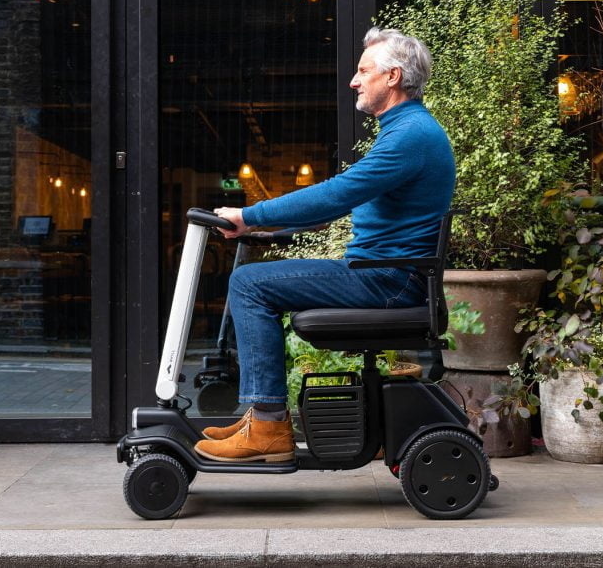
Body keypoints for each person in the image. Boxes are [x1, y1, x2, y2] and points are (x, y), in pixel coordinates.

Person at [194, 28, 456, 463]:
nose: (354, 80)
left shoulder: (411, 135)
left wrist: (248, 215)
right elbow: (339, 204)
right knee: (253, 280)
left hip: (387, 280)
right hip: (385, 274)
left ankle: (267, 426)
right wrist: (258, 229)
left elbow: (337, 194)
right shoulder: (406, 130)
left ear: (392, 76)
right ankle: (263, 417)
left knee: (248, 284)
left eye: (363, 70)